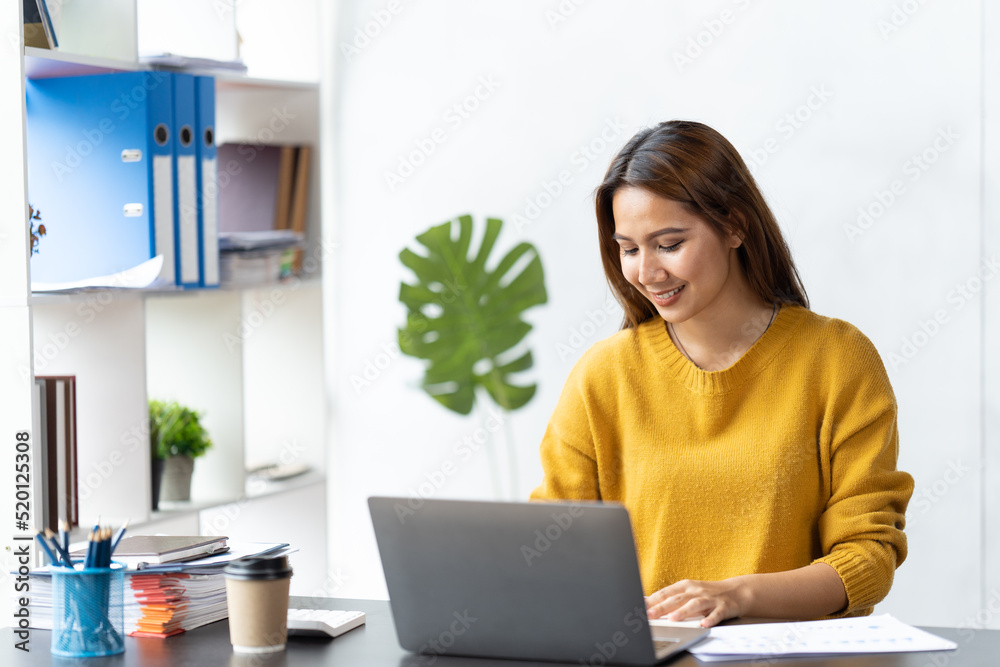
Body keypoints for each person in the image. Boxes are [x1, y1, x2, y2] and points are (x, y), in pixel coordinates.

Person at [529, 120, 914, 628]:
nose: (646, 272)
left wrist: (735, 596)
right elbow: (553, 546)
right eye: (628, 248)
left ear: (735, 225)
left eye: (668, 244)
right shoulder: (605, 374)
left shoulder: (836, 359)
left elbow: (867, 557)